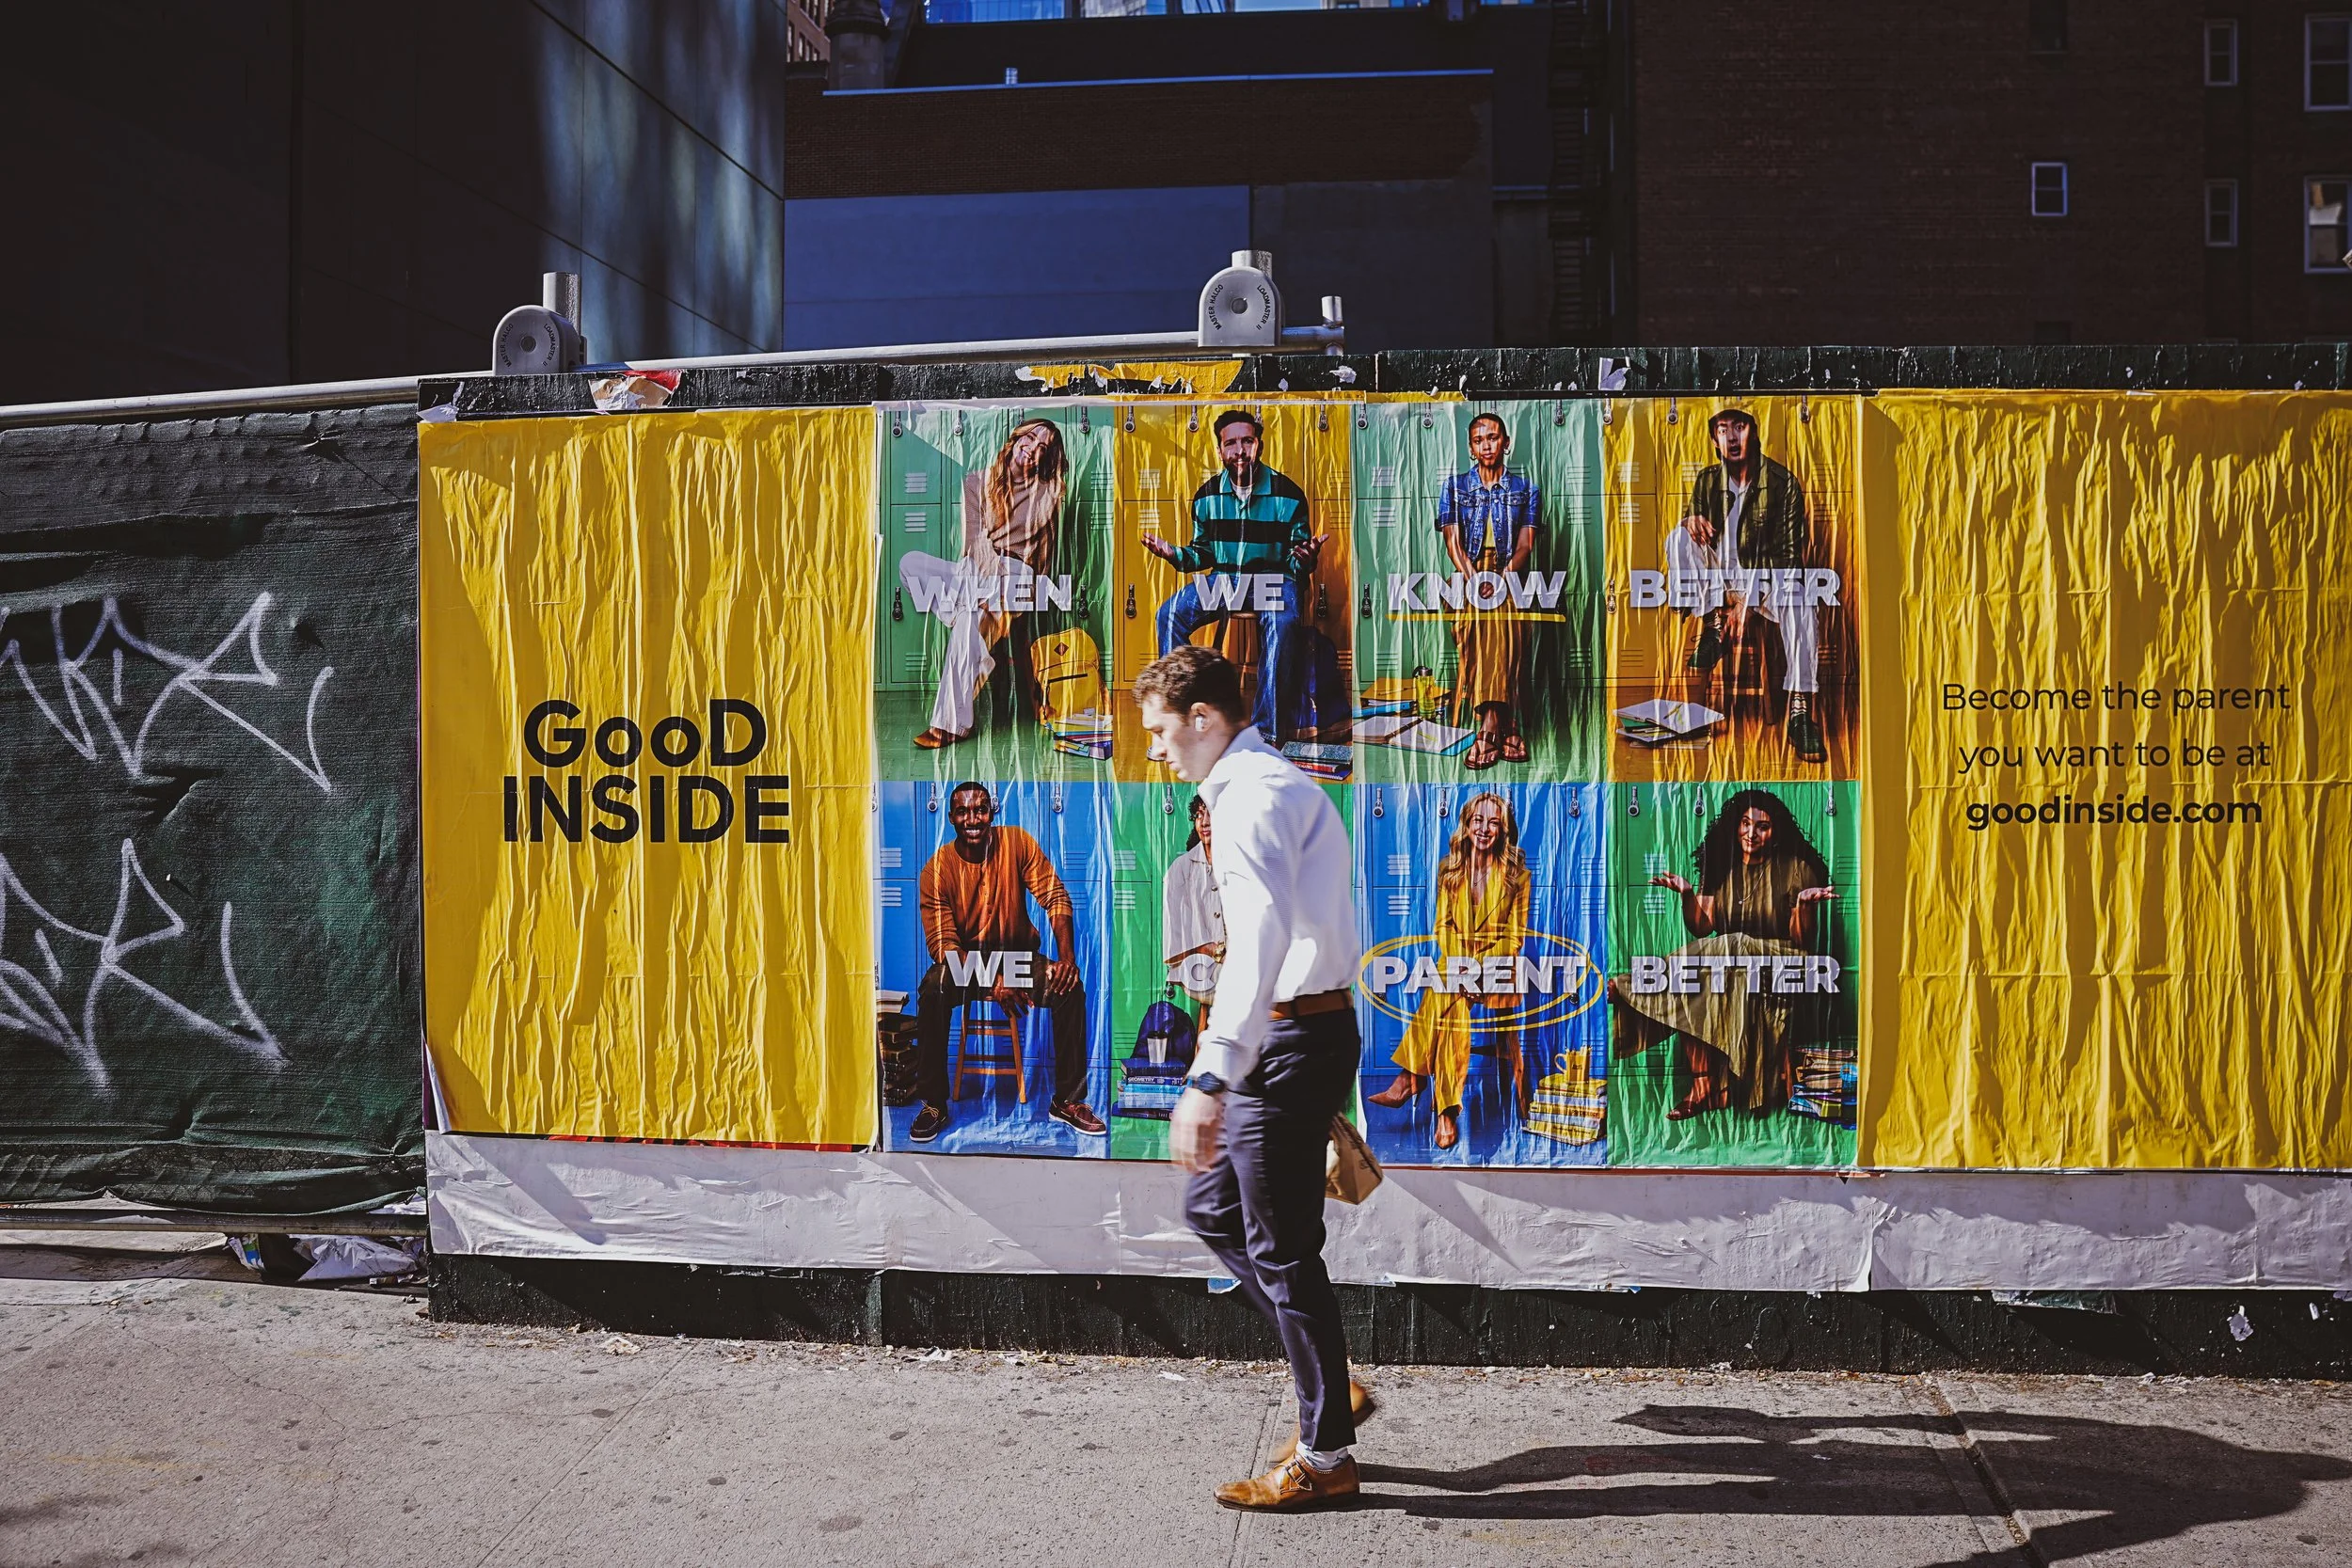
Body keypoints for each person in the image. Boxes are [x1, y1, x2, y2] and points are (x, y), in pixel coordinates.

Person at [1136, 644, 1374, 1512]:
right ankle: (1329, 1385)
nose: (1155, 749)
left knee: (1281, 1248)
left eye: (1162, 730)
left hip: (1288, 1034)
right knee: (1212, 1209)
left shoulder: (1250, 797)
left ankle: (1325, 1454)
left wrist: (1208, 1076)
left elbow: (1262, 940)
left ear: (1204, 719)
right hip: (1293, 1031)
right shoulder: (1261, 788)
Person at [1607, 788, 1835, 1119]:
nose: (1751, 833)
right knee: (1690, 984)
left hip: (1780, 959)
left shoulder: (1797, 868)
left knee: (1730, 945)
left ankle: (1632, 986)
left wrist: (1802, 905)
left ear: (1775, 833)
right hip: (1728, 964)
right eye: (1745, 823)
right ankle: (1705, 1089)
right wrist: (1687, 896)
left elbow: (1802, 940)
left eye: (1762, 826)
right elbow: (1702, 927)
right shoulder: (1720, 866)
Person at [909, 782, 1105, 1142]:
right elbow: (944, 947)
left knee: (1069, 987)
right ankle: (934, 1103)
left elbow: (1055, 896)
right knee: (933, 986)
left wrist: (1067, 959)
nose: (973, 819)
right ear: (951, 817)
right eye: (964, 812)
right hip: (966, 964)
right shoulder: (936, 870)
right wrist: (989, 981)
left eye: (980, 809)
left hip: (1017, 958)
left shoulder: (1015, 841)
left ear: (992, 812)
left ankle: (1067, 1101)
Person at [1142, 410, 1325, 744]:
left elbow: (1296, 565)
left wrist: (1306, 560)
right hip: (1225, 580)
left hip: (1273, 578)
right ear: (1220, 450)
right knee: (1168, 615)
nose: (1239, 450)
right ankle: (1181, 714)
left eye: (1247, 441)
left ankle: (1266, 732)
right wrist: (1174, 555)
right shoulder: (1206, 497)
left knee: (1283, 622)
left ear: (1260, 445)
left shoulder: (1289, 494)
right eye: (1231, 443)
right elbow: (1202, 555)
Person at [1366, 791, 1531, 1150]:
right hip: (1456, 965)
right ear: (1466, 825)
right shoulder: (1449, 869)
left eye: (1493, 822)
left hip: (1497, 967)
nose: (1484, 829)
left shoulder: (1518, 875)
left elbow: (1514, 939)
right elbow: (1443, 928)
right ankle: (1446, 1109)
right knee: (1450, 999)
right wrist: (1462, 968)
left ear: (1503, 830)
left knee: (1444, 994)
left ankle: (1413, 1079)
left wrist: (1477, 970)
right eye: (1478, 821)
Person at [896, 419, 1069, 750]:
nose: (1032, 449)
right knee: (911, 565)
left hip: (1017, 575)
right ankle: (969, 614)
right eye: (1030, 438)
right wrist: (982, 580)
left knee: (968, 623)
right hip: (976, 570)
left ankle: (949, 726)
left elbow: (1042, 554)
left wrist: (1026, 587)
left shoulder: (1048, 493)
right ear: (1016, 438)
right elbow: (974, 538)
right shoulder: (977, 481)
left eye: (1042, 448)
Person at [1667, 409, 1827, 764]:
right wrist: (1690, 517)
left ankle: (1800, 712)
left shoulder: (1783, 482)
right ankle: (1712, 625)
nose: (1732, 437)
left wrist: (1749, 604)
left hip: (1766, 582)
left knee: (1800, 598)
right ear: (1714, 440)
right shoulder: (1707, 480)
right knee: (1678, 536)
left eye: (1739, 427)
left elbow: (1788, 559)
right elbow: (1692, 540)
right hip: (1719, 583)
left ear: (1754, 433)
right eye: (1722, 430)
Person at [1438, 414, 1542, 769]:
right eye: (1479, 440)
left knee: (1503, 616)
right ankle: (1506, 723)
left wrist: (1500, 579)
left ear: (1506, 442)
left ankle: (1489, 725)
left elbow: (1525, 546)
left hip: (1509, 571)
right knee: (1483, 616)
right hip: (1468, 572)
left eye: (1493, 438)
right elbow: (1453, 545)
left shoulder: (1526, 490)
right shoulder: (1453, 487)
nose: (1486, 445)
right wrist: (1474, 578)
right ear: (1471, 447)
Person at [1162, 795, 1224, 1008]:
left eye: (1211, 815)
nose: (1204, 822)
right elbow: (1174, 929)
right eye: (1198, 815)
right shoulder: (1180, 869)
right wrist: (1214, 950)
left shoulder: (1240, 862)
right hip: (1197, 968)